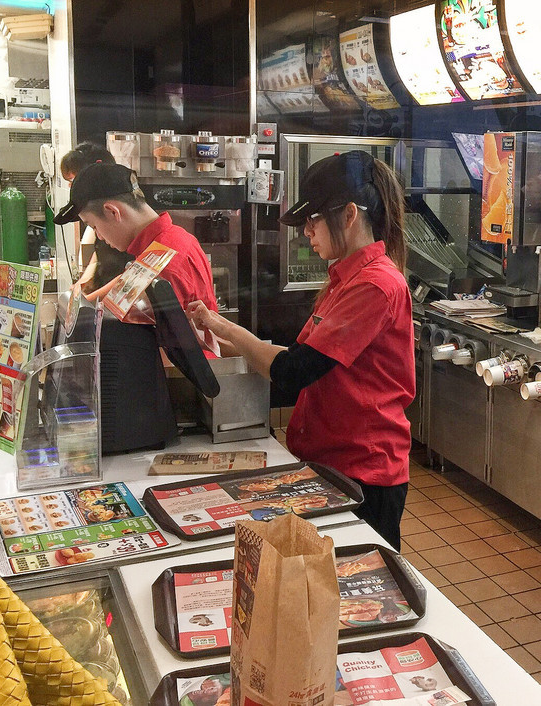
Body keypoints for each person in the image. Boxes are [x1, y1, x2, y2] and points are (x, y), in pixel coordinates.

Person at [187, 151, 414, 550]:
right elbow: (299, 356)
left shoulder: (375, 285)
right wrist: (218, 336)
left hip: (363, 469)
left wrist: (223, 326)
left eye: (313, 220)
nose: (306, 231)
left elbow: (294, 370)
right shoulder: (346, 278)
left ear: (349, 215)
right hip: (331, 460)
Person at [52, 162, 218, 317]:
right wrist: (85, 304)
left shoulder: (163, 264)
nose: (99, 237)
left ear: (113, 212)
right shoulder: (170, 239)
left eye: (94, 226)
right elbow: (128, 280)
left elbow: (171, 337)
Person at [59, 143, 135, 296]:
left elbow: (133, 276)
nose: (71, 186)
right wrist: (82, 284)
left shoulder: (127, 221)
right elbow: (99, 253)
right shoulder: (99, 215)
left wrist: (90, 298)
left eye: (74, 179)